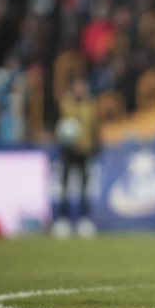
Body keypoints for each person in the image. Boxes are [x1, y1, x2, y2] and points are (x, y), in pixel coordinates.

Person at [54, 76, 99, 238]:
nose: (81, 89)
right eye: (78, 86)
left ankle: (84, 220)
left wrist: (96, 144)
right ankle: (63, 220)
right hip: (68, 150)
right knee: (65, 186)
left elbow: (94, 126)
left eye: (83, 86)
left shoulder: (91, 104)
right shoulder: (65, 103)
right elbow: (60, 125)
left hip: (85, 150)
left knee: (84, 187)